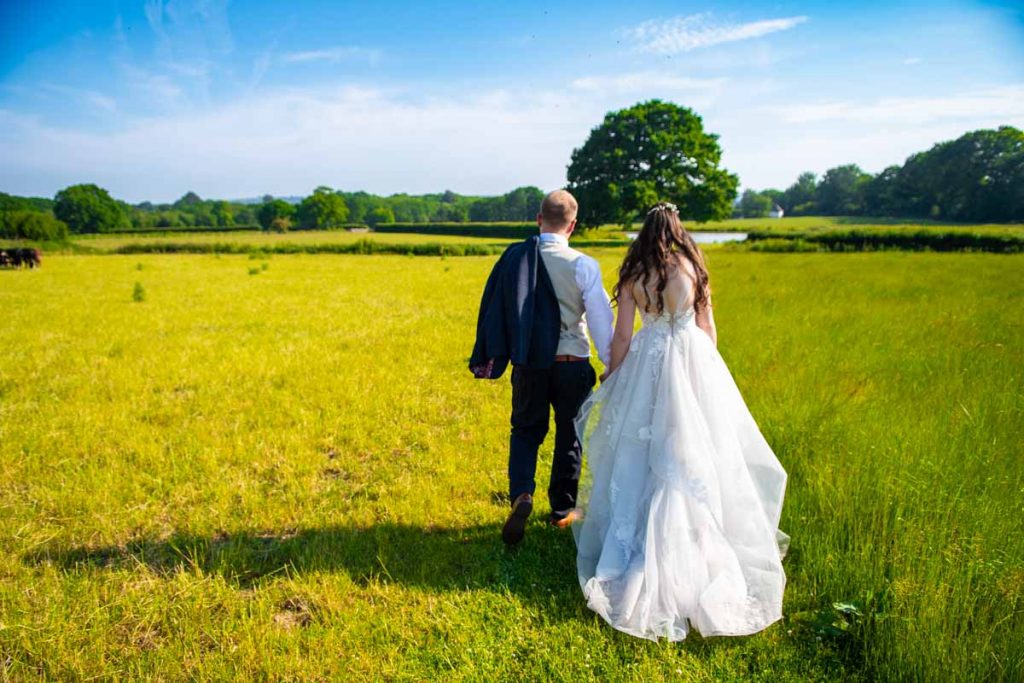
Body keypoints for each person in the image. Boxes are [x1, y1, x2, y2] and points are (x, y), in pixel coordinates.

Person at [572, 202, 788, 641]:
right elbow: (708, 329)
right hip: (692, 361)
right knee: (694, 453)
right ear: (677, 229)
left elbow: (623, 335)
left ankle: (641, 548)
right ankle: (696, 546)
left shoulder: (635, 274)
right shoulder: (693, 268)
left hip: (649, 365)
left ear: (646, 231)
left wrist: (613, 373)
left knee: (642, 454)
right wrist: (706, 371)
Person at [470, 190, 613, 545]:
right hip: (572, 363)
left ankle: (522, 493)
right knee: (570, 435)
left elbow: (497, 307)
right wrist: (612, 363)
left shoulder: (515, 259)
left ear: (538, 219)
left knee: (525, 430)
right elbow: (600, 321)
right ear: (573, 225)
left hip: (530, 363)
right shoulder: (583, 265)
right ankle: (562, 511)